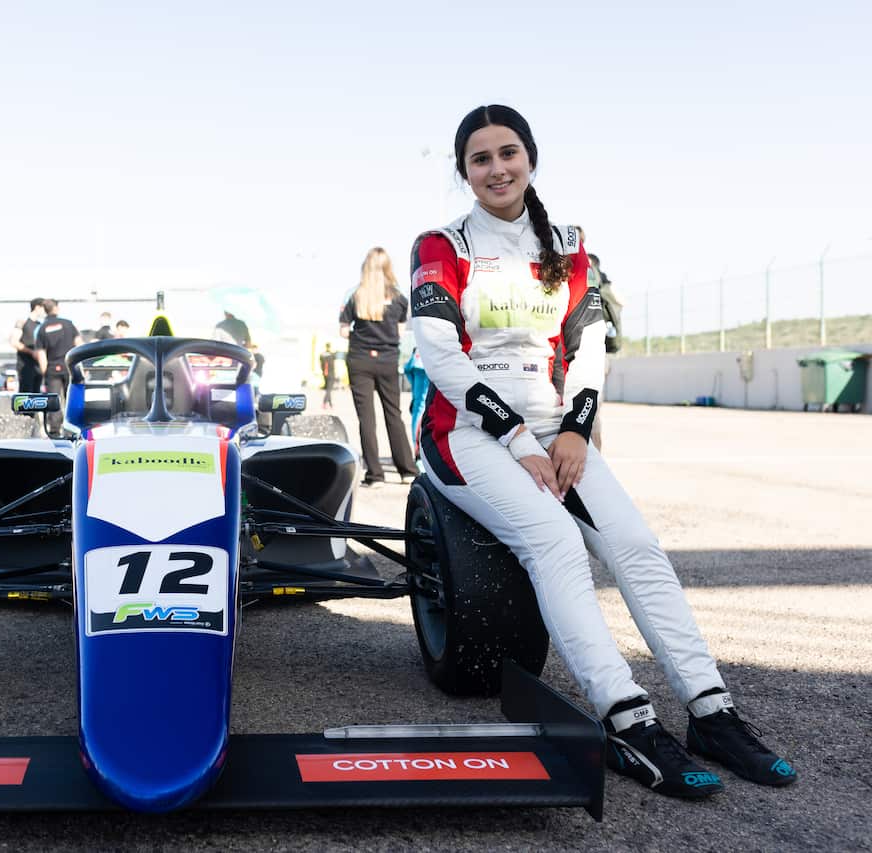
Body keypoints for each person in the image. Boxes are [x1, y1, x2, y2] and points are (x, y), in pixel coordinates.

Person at [409, 104, 795, 800]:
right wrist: (519, 438)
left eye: (508, 153)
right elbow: (440, 354)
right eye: (480, 158)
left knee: (637, 545)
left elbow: (589, 346)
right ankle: (626, 717)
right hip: (464, 434)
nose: (497, 168)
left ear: (530, 157)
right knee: (556, 540)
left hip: (556, 428)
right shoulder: (441, 244)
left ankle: (711, 709)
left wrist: (576, 429)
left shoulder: (567, 241)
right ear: (464, 171)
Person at [338, 248, 417, 486]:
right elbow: (401, 332)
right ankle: (407, 471)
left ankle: (375, 475)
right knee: (394, 414)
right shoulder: (399, 297)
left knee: (366, 419)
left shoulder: (354, 295)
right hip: (388, 360)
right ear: (388, 267)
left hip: (360, 359)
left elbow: (343, 331)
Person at [34, 299, 81, 436]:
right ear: (56, 308)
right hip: (70, 367)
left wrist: (45, 373)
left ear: (45, 310)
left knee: (54, 400)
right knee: (72, 398)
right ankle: (74, 428)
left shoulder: (42, 329)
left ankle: (54, 432)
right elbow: (79, 344)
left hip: (52, 369)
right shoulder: (68, 324)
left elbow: (41, 354)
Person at [9, 298, 46, 393]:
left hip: (38, 366)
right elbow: (14, 342)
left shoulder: (40, 325)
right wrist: (31, 352)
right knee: (26, 396)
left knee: (36, 395)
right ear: (37, 307)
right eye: (43, 307)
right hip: (25, 365)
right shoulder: (23, 322)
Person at [319, 342, 337, 409]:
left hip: (325, 374)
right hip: (331, 373)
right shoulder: (332, 355)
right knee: (329, 389)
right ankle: (324, 403)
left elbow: (320, 364)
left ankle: (330, 404)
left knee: (328, 389)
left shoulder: (322, 355)